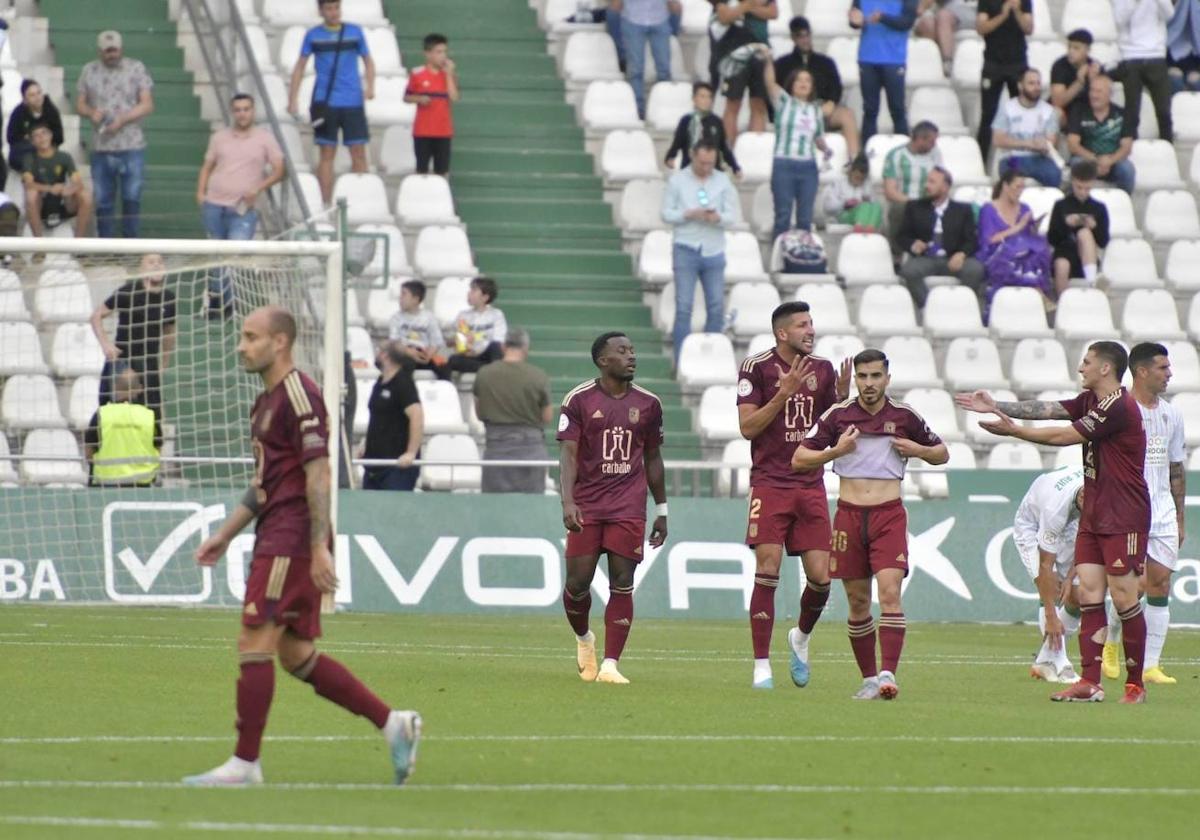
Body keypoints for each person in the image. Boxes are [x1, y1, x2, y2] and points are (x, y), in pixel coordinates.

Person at [183, 307, 420, 786]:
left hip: (293, 535)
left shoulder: (299, 394)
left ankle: (246, 763)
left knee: (254, 640)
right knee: (294, 654)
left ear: (280, 342)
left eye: (251, 337)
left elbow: (319, 472)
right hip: (278, 529)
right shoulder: (264, 402)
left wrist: (317, 547)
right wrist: (225, 535)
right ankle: (394, 723)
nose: (241, 346)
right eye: (241, 337)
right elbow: (264, 484)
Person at [955, 340, 1152, 704]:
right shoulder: (1091, 401)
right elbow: (1050, 410)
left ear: (1105, 369)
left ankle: (1135, 685)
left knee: (1124, 598)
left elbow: (1066, 435)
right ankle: (1089, 682)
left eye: (1087, 362)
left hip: (1124, 515)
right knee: (1088, 594)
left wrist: (1014, 431)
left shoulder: (1119, 406)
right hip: (1094, 512)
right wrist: (998, 405)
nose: (1081, 368)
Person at [792, 348, 949, 700]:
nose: (868, 383)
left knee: (890, 593)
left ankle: (888, 674)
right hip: (848, 516)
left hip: (888, 515)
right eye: (862, 377)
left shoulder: (905, 415)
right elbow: (799, 458)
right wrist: (835, 452)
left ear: (887, 378)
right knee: (858, 602)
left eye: (875, 376)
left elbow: (942, 453)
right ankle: (868, 680)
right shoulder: (839, 416)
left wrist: (917, 449)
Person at [736, 301, 850, 690]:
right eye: (802, 325)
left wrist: (841, 403)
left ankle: (799, 637)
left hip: (810, 484)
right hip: (770, 483)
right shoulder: (756, 368)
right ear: (782, 333)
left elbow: (830, 431)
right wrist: (782, 394)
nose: (810, 330)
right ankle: (761, 665)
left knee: (821, 579)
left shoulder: (822, 370)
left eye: (812, 323)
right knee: (767, 570)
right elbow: (748, 428)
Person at [557, 332, 668, 685]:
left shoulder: (649, 404)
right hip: (587, 505)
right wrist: (568, 500)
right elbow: (568, 454)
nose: (631, 356)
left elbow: (653, 457)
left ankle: (610, 664)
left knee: (623, 582)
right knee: (577, 585)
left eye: (632, 350)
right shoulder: (578, 400)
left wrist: (662, 509)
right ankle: (584, 639)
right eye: (622, 351)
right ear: (603, 361)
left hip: (628, 506)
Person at [1102, 343, 1186, 686]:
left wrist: (1180, 518)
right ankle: (1111, 643)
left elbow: (1176, 466)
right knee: (1131, 585)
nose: (1169, 374)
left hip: (1163, 510)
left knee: (1160, 582)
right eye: (1163, 368)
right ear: (1142, 371)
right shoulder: (1119, 410)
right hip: (1128, 508)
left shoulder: (1172, 414)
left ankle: (1150, 665)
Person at [287, 0, 375, 205]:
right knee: (327, 153)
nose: (334, 12)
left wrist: (370, 87)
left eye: (336, 7)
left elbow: (368, 61)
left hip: (352, 100)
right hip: (324, 101)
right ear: (320, 10)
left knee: (359, 152)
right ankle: (325, 203)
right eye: (329, 8)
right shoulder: (313, 35)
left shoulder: (355, 32)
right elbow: (300, 67)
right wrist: (293, 99)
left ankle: (361, 202)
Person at [660, 139, 740, 361]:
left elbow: (732, 216)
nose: (706, 167)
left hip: (713, 250)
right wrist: (688, 214)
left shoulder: (722, 181)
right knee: (684, 307)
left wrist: (717, 217)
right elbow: (666, 213)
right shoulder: (677, 181)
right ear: (693, 156)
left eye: (710, 163)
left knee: (716, 307)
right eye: (702, 162)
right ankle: (682, 361)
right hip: (685, 248)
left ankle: (710, 358)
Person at [75, 30, 154, 239]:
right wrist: (92, 113)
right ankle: (106, 248)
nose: (112, 54)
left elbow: (147, 104)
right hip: (101, 146)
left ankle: (131, 245)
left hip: (132, 145)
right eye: (107, 51)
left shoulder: (136, 68)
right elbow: (80, 104)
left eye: (115, 50)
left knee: (132, 198)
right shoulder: (88, 70)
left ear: (121, 48)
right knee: (103, 201)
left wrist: (123, 119)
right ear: (100, 51)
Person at [1012, 467, 1085, 684]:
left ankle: (1044, 660)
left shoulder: (1099, 495)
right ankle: (1059, 661)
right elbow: (1046, 565)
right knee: (1051, 585)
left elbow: (1089, 541)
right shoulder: (1055, 508)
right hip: (1031, 525)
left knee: (1080, 595)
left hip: (1070, 522)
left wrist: (1071, 577)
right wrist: (1052, 617)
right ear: (1082, 497)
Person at [89, 253, 177, 418]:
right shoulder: (128, 291)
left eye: (160, 262)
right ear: (141, 269)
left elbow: (169, 333)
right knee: (112, 416)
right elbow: (96, 316)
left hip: (148, 364)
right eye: (151, 262)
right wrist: (106, 345)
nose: (157, 265)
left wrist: (163, 364)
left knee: (150, 418)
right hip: (122, 361)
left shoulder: (169, 298)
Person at [196, 93, 285, 241]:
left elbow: (280, 170)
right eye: (237, 110)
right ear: (232, 112)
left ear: (253, 111)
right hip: (213, 205)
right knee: (214, 256)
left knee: (235, 255)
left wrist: (258, 188)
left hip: (243, 208)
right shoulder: (219, 137)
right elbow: (207, 167)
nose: (242, 114)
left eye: (246, 109)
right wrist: (200, 194)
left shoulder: (265, 138)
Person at [473, 328, 553, 494]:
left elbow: (479, 413)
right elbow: (547, 416)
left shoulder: (484, 374)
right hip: (531, 447)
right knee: (531, 507)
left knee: (495, 507)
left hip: (496, 446)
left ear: (503, 347)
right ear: (526, 349)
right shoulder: (538, 376)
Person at [761, 57, 832, 240]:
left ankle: (801, 259)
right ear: (792, 84)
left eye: (807, 80)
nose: (803, 83)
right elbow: (770, 83)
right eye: (799, 80)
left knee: (805, 218)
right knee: (783, 215)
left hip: (808, 167)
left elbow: (817, 138)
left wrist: (825, 149)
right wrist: (768, 59)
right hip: (784, 163)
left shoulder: (816, 110)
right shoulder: (784, 102)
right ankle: (779, 259)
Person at [896, 166, 985, 309]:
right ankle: (929, 308)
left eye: (932, 182)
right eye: (927, 181)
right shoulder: (914, 207)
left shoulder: (963, 210)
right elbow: (902, 236)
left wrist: (961, 255)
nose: (927, 186)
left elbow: (971, 240)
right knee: (909, 271)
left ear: (945, 187)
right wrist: (913, 244)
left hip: (952, 258)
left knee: (975, 269)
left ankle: (960, 308)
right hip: (926, 258)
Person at [773, 15, 860, 158]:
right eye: (800, 36)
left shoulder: (825, 62)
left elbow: (836, 87)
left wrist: (831, 103)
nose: (805, 39)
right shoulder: (782, 65)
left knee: (847, 115)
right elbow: (776, 91)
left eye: (807, 35)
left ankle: (854, 160)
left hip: (820, 110)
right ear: (793, 38)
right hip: (794, 113)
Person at [975, 171, 1052, 314]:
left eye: (1022, 188)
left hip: (1022, 253)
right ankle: (1037, 293)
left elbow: (1028, 237)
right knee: (1012, 258)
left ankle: (1036, 296)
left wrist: (1032, 228)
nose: (1020, 191)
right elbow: (989, 240)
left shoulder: (1025, 209)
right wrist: (1018, 227)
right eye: (1017, 187)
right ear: (1005, 186)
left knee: (1038, 251)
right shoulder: (989, 209)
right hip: (998, 254)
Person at [709, 0, 778, 144]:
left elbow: (772, 12)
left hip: (760, 51)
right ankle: (729, 150)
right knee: (733, 103)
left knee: (759, 104)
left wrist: (743, 8)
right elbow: (724, 16)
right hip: (735, 54)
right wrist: (750, 5)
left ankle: (754, 148)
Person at [851, 0, 919, 144]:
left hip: (894, 59)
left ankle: (904, 153)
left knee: (897, 109)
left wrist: (883, 18)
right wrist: (854, 20)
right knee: (869, 110)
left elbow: (907, 22)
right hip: (867, 57)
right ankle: (868, 155)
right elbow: (855, 18)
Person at [84, 367, 162, 488]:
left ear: (115, 388)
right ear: (140, 389)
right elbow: (158, 450)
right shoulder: (150, 415)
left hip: (106, 484)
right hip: (143, 485)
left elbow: (88, 453)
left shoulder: (102, 414)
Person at [361, 341, 423, 492]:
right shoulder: (380, 382)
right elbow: (377, 417)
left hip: (395, 467)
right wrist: (366, 443)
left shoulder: (403, 383)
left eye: (378, 350)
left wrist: (411, 453)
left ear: (385, 355)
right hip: (374, 464)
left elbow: (417, 416)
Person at [975, 0, 1032, 161]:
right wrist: (1003, 14)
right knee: (988, 115)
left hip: (1018, 64)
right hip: (993, 64)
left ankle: (1021, 159)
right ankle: (981, 160)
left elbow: (1029, 28)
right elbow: (981, 28)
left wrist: (1017, 12)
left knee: (1022, 113)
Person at [1046, 159, 1110, 295]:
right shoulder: (1061, 205)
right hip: (1064, 251)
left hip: (1088, 256)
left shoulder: (1099, 208)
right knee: (1062, 265)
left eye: (1087, 188)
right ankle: (1062, 303)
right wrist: (1066, 224)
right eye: (1079, 187)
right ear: (1073, 183)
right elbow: (1052, 239)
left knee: (1084, 233)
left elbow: (1103, 241)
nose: (1082, 192)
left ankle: (1092, 280)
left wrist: (1094, 227)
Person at [1113, 0, 1174, 143]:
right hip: (1130, 56)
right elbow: (1119, 21)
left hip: (1156, 56)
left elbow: (1169, 14)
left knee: (1164, 110)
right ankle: (1130, 149)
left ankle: (1168, 146)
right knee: (1132, 112)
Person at [20, 122, 94, 239]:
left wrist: (68, 191)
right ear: (32, 141)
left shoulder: (64, 157)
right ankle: (39, 245)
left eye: (44, 133)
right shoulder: (29, 158)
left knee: (85, 195)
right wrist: (50, 189)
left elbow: (78, 182)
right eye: (36, 136)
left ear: (51, 135)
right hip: (42, 202)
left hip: (63, 201)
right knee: (31, 194)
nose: (41, 138)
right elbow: (28, 184)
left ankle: (79, 243)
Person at [992, 68, 1062, 187]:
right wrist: (1029, 144)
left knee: (1055, 175)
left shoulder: (1048, 111)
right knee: (1011, 177)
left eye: (1038, 83)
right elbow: (997, 139)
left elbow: (1051, 142)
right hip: (1012, 158)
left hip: (1039, 159)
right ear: (1020, 86)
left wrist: (1044, 145)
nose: (1036, 87)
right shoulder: (1008, 108)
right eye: (1031, 83)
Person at [1067, 75, 1136, 195]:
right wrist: (1096, 159)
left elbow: (1126, 147)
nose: (1094, 95)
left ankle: (1124, 203)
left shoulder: (1122, 114)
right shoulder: (1079, 111)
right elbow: (1072, 144)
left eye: (1099, 91)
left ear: (1109, 94)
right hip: (1087, 160)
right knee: (1076, 163)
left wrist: (1109, 161)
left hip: (1113, 162)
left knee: (1127, 169)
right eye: (1092, 90)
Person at [403, 33, 458, 176]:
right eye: (439, 52)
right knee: (421, 171)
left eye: (445, 51)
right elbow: (406, 97)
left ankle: (441, 196)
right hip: (423, 131)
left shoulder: (449, 75)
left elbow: (454, 97)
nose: (443, 56)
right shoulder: (417, 73)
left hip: (443, 131)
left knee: (442, 171)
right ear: (428, 54)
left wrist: (449, 75)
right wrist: (419, 99)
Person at [881, 121, 942, 247]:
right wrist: (913, 203)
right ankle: (896, 252)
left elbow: (941, 180)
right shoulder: (896, 155)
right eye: (931, 141)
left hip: (929, 202)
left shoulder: (936, 154)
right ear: (920, 139)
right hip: (905, 202)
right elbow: (890, 191)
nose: (934, 145)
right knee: (899, 209)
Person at [611, 0, 674, 119]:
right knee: (635, 70)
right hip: (633, 19)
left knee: (664, 69)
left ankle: (664, 107)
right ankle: (638, 111)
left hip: (660, 19)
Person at [436, 276, 507, 377]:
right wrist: (455, 341)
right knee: (453, 360)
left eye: (474, 291)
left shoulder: (496, 315)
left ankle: (492, 371)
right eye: (470, 290)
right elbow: (449, 339)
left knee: (495, 347)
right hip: (468, 356)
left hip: (487, 354)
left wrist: (476, 347)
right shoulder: (463, 315)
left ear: (485, 297)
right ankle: (490, 370)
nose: (469, 293)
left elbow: (499, 340)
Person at [663, 82, 741, 175]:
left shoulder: (716, 121)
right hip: (689, 170)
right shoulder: (686, 121)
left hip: (713, 171)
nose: (706, 100)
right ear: (694, 99)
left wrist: (735, 167)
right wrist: (670, 157)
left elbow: (724, 147)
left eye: (709, 97)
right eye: (702, 96)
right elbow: (677, 143)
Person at [6, 79, 65, 174]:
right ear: (25, 99)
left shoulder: (51, 111)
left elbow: (59, 137)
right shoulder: (18, 113)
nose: (37, 98)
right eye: (32, 95)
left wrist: (42, 140)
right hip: (25, 156)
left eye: (39, 93)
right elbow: (11, 138)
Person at [387, 279, 444, 375]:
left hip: (423, 353)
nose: (400, 298)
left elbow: (436, 342)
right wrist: (409, 352)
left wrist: (429, 355)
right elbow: (394, 342)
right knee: (406, 364)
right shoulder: (396, 318)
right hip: (405, 352)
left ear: (415, 299)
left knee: (444, 367)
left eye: (404, 294)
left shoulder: (429, 317)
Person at [1049, 29, 1101, 127]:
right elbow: (1057, 102)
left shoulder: (1094, 67)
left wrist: (1094, 80)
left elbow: (1102, 99)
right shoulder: (1060, 66)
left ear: (1087, 50)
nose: (1071, 51)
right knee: (1056, 113)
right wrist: (1079, 82)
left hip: (1085, 112)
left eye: (1076, 48)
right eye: (1069, 47)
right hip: (1066, 112)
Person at [823, 154, 884, 231]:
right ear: (850, 172)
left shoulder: (867, 185)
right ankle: (859, 227)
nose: (859, 181)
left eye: (862, 179)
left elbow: (873, 206)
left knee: (876, 206)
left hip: (863, 215)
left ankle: (870, 228)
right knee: (864, 206)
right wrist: (844, 203)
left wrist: (868, 200)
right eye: (857, 177)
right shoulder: (838, 183)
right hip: (843, 215)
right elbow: (828, 207)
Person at [915, 0, 977, 66]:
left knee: (943, 16)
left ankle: (948, 62)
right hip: (945, 13)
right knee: (927, 24)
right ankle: (934, 65)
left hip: (972, 12)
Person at [1167, 0, 1200, 94]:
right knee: (1175, 80)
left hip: (1193, 67)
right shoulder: (1167, 32)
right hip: (1170, 65)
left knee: (1196, 82)